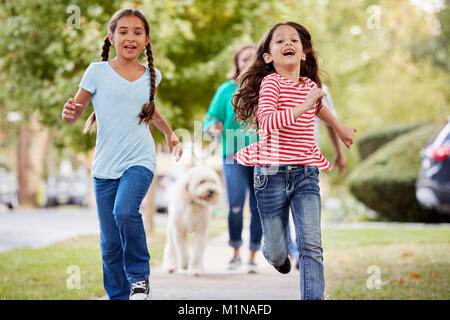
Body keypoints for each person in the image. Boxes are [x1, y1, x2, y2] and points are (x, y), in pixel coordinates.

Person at [61, 9, 182, 300]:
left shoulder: (153, 75)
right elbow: (74, 112)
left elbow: (148, 110)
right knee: (110, 241)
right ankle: (118, 295)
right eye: (124, 31)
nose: (131, 37)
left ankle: (139, 277)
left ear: (146, 40)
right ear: (111, 37)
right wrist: (69, 115)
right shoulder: (96, 72)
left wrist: (169, 133)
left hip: (140, 158)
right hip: (104, 165)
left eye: (137, 32)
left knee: (125, 212)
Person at [232, 22, 356, 300]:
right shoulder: (270, 83)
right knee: (277, 250)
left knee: (311, 245)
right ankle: (273, 254)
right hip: (270, 173)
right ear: (268, 56)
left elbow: (319, 107)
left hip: (305, 174)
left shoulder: (309, 86)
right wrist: (305, 104)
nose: (288, 43)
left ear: (303, 53)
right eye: (280, 41)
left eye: (294, 40)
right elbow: (267, 122)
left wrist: (339, 126)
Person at [203, 44, 263, 273]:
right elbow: (210, 118)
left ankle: (252, 255)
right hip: (233, 153)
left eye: (252, 58)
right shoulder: (226, 90)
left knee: (259, 206)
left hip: (261, 154)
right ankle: (236, 251)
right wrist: (212, 128)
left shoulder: (267, 88)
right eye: (243, 59)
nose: (247, 63)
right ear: (237, 64)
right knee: (236, 203)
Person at [288, 84, 347, 269]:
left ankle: (299, 252)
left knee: (305, 213)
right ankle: (285, 250)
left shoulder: (319, 87)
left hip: (308, 160)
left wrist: (340, 152)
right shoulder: (270, 81)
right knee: (279, 212)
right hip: (275, 161)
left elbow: (329, 121)